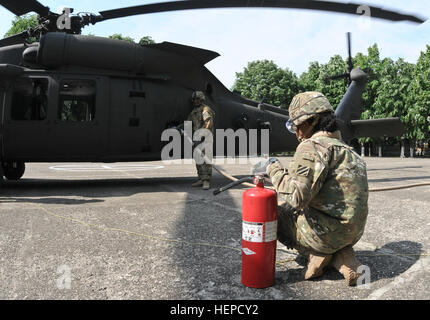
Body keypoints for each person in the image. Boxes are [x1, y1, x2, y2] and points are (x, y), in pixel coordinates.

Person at [259, 91, 369, 286]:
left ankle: (319, 254)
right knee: (299, 211)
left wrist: (272, 167)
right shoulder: (347, 150)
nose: (296, 132)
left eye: (297, 125)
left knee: (273, 212)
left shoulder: (312, 146)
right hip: (353, 233)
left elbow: (297, 197)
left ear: (312, 121)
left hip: (325, 234)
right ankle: (342, 255)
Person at [187, 91, 215, 190]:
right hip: (196, 138)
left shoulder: (205, 110)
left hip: (205, 138)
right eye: (194, 99)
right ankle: (201, 178)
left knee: (206, 159)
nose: (195, 101)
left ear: (202, 99)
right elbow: (188, 122)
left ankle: (206, 181)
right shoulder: (194, 111)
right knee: (198, 159)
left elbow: (209, 123)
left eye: (197, 99)